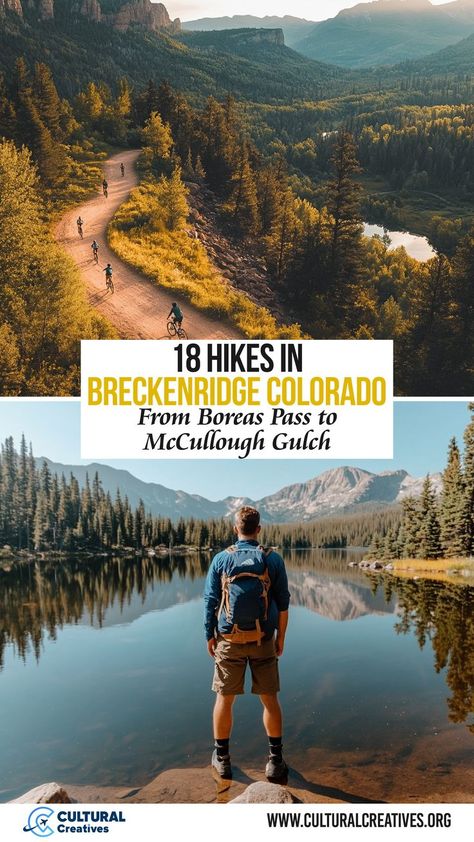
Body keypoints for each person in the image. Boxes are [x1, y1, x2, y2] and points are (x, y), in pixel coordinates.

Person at [204, 506, 290, 782]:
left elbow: (210, 602)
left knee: (224, 699)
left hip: (229, 640)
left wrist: (210, 635)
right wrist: (280, 638)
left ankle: (223, 760)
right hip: (263, 639)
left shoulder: (221, 559)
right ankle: (275, 763)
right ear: (259, 529)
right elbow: (284, 605)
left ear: (235, 529)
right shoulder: (272, 559)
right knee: (269, 700)